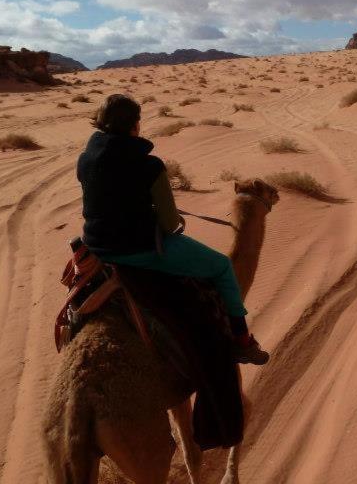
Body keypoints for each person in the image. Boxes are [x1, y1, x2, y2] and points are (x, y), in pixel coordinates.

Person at [77, 93, 268, 365]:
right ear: (134, 125)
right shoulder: (148, 165)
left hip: (96, 247)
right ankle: (242, 340)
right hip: (137, 249)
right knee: (222, 266)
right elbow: (169, 224)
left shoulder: (85, 159)